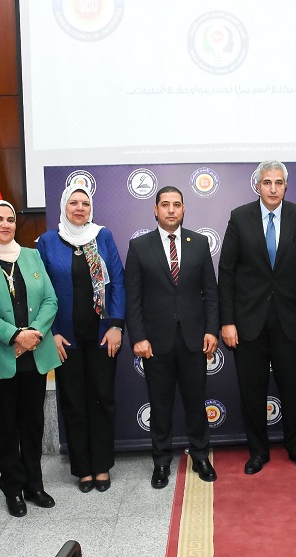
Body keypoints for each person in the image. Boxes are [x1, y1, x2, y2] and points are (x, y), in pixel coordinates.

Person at [218, 160, 296, 474]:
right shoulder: (239, 217)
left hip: (291, 322)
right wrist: (227, 321)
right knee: (252, 391)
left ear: (286, 186)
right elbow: (227, 271)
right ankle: (258, 451)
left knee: (293, 388)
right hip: (249, 322)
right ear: (258, 185)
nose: (273, 188)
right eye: (267, 182)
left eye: (278, 182)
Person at [125, 186, 220, 489]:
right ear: (155, 209)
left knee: (195, 402)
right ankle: (161, 462)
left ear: (183, 209)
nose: (170, 210)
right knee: (161, 404)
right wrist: (138, 337)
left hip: (194, 339)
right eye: (164, 204)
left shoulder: (199, 243)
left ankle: (201, 456)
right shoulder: (140, 246)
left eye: (176, 205)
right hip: (155, 342)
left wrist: (210, 329)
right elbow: (133, 299)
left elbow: (211, 292)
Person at [37, 183, 125, 492]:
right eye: (73, 203)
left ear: (91, 208)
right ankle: (83, 469)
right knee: (74, 403)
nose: (79, 208)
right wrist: (52, 334)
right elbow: (41, 292)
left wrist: (116, 325)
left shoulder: (103, 237)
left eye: (84, 203)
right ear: (64, 207)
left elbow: (117, 281)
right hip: (66, 341)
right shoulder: (48, 242)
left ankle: (101, 466)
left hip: (102, 337)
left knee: (102, 400)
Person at [0, 200, 61, 516]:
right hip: (1, 355)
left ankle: (34, 485)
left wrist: (34, 333)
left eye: (10, 219)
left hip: (34, 354)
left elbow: (50, 300)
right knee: (5, 426)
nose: (6, 225)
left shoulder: (31, 256)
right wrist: (14, 335)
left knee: (32, 423)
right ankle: (13, 488)